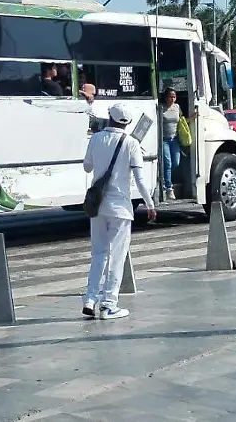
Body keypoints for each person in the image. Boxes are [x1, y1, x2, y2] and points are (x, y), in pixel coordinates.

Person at [82, 104, 157, 320]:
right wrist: (150, 204)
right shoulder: (131, 143)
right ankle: (109, 305)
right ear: (128, 123)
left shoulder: (96, 138)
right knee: (117, 256)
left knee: (98, 254)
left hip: (97, 206)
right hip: (120, 207)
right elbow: (140, 180)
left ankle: (90, 299)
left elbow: (87, 167)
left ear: (109, 117)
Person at [159, 88, 195, 201]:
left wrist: (193, 118)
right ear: (166, 98)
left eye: (174, 96)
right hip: (164, 140)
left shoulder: (177, 107)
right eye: (170, 96)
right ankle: (169, 188)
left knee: (176, 162)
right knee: (168, 163)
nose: (172, 99)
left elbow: (182, 121)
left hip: (175, 139)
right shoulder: (161, 108)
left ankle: (164, 178)